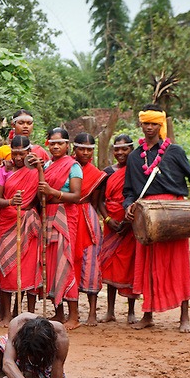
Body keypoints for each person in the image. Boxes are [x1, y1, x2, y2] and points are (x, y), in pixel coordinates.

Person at [123, 106, 190, 332]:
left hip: (174, 213)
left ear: (162, 126)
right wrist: (128, 206)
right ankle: (147, 314)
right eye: (146, 123)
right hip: (146, 215)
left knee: (178, 265)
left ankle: (184, 317)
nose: (150, 128)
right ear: (141, 125)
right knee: (148, 267)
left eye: (154, 124)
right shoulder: (133, 157)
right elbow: (129, 190)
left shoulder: (175, 151)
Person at [30, 127, 82, 329]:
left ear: (67, 145)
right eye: (52, 143)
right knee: (51, 263)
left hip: (66, 216)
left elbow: (76, 196)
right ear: (47, 144)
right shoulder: (48, 165)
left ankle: (74, 315)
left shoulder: (73, 166)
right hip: (48, 215)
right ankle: (58, 312)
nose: (56, 146)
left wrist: (53, 191)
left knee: (66, 262)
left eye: (60, 143)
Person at [0, 136, 42, 327]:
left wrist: (39, 170)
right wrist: (11, 202)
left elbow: (40, 195)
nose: (19, 157)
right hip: (8, 221)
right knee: (6, 268)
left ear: (29, 152)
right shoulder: (4, 170)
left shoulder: (36, 169)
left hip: (28, 223)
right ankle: (6, 314)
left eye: (22, 153)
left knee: (29, 269)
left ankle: (28, 314)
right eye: (15, 153)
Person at [97, 135, 140, 324]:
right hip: (111, 223)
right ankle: (110, 310)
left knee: (130, 265)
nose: (120, 153)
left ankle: (131, 311)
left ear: (132, 150)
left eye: (125, 149)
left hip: (131, 223)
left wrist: (129, 221)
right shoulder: (107, 172)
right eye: (117, 149)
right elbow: (99, 201)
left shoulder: (137, 172)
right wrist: (107, 219)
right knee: (109, 265)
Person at [72, 133, 107, 326]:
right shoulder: (66, 167)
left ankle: (92, 313)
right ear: (74, 149)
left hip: (88, 217)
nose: (85, 153)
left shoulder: (97, 174)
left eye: (89, 149)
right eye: (81, 149)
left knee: (91, 263)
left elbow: (96, 202)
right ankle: (73, 311)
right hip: (68, 215)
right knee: (72, 262)